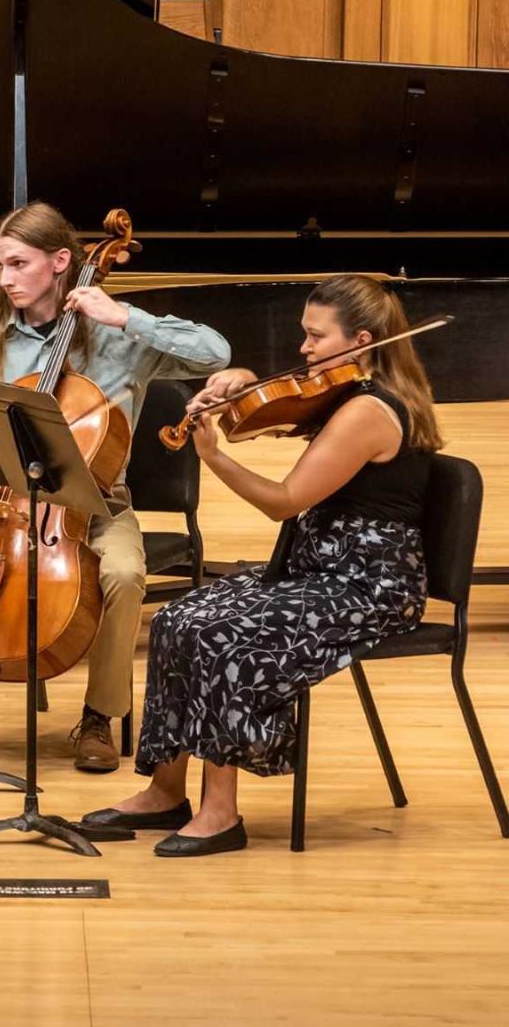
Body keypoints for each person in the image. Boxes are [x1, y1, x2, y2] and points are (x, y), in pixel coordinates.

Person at [83, 275, 440, 855]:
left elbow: (284, 501)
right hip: (317, 571)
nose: (303, 349)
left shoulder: (370, 411)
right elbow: (272, 412)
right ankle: (165, 791)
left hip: (365, 586)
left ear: (361, 341)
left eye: (314, 336)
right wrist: (241, 381)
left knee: (224, 635)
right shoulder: (346, 393)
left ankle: (221, 812)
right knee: (179, 620)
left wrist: (212, 456)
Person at [0, 202, 230, 772]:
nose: (6, 279)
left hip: (96, 508)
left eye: (18, 264)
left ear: (61, 262)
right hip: (2, 509)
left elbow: (216, 352)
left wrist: (125, 317)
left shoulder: (119, 336)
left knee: (123, 573)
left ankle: (100, 715)